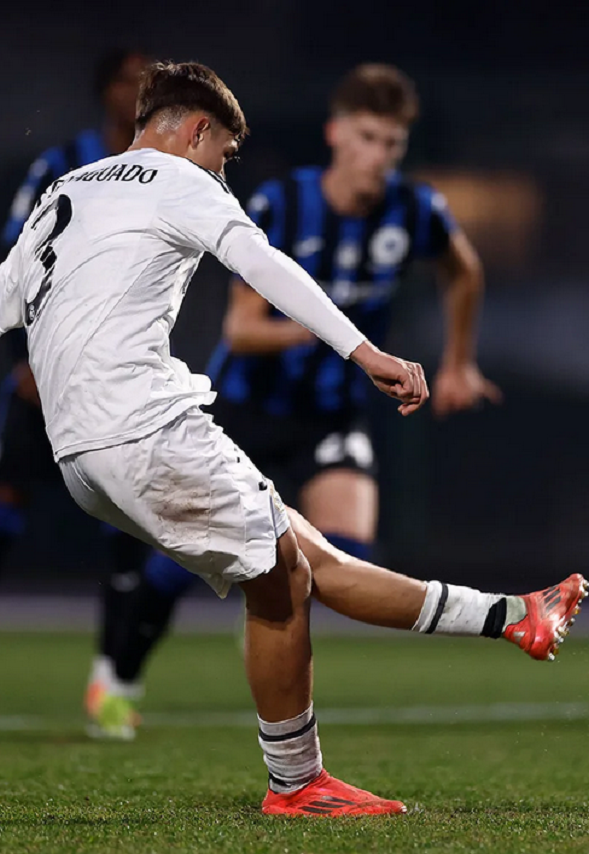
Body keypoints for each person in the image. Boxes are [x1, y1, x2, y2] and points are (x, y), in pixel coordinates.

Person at [0, 60, 584, 817]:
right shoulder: (183, 181)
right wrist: (366, 352)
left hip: (80, 452)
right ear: (195, 131)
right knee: (284, 577)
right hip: (144, 426)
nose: (225, 170)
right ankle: (297, 783)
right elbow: (267, 265)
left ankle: (516, 618)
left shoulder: (67, 191)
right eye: (224, 153)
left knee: (304, 557)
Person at [106, 64, 557, 712]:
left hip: (331, 413)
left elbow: (464, 270)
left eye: (393, 144)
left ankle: (267, 612)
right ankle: (117, 681)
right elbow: (242, 330)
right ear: (337, 134)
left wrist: (459, 361)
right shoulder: (282, 203)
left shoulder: (415, 209)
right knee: (182, 562)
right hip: (249, 408)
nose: (380, 156)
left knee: (343, 553)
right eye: (369, 138)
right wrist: (333, 330)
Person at [0, 48, 153, 726]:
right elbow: (19, 263)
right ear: (103, 90)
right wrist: (29, 359)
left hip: (115, 384)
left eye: (148, 79)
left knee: (127, 529)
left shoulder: (163, 176)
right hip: (44, 378)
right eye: (129, 78)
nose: (140, 90)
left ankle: (108, 685)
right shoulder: (58, 167)